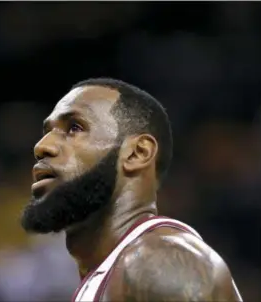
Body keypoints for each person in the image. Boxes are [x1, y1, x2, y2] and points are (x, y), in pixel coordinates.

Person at [20, 78, 243, 302]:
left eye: (74, 128)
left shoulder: (157, 265)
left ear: (138, 153)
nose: (42, 146)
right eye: (47, 131)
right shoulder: (117, 270)